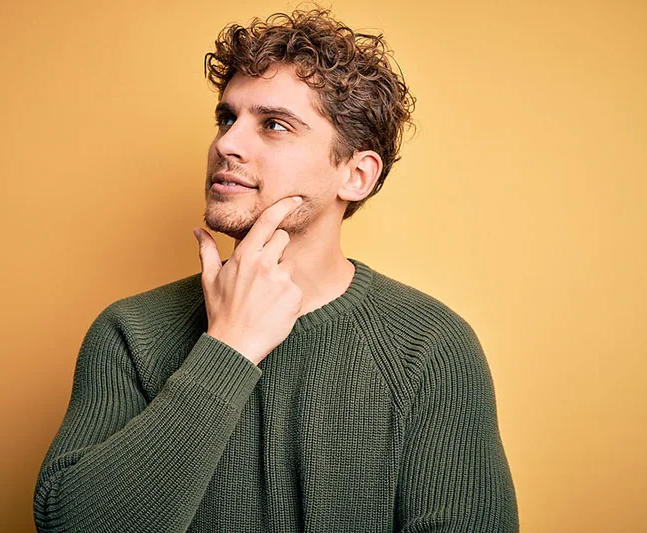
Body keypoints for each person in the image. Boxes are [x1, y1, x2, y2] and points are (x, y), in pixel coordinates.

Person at [33, 7, 519, 532]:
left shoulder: (429, 347)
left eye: (274, 125)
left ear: (356, 175)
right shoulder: (131, 332)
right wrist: (228, 350)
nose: (226, 144)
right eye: (227, 119)